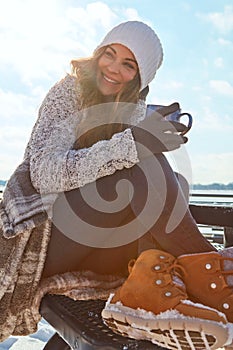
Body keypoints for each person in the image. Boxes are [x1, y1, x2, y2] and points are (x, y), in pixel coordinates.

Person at [0, 20, 233, 349]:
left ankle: (154, 283)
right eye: (109, 55)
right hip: (45, 237)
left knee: (173, 178)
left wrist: (145, 138)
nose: (112, 68)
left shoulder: (133, 108)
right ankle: (216, 275)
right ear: (97, 55)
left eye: (128, 64)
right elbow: (44, 174)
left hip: (99, 242)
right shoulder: (68, 91)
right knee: (142, 164)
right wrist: (133, 144)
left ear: (141, 77)